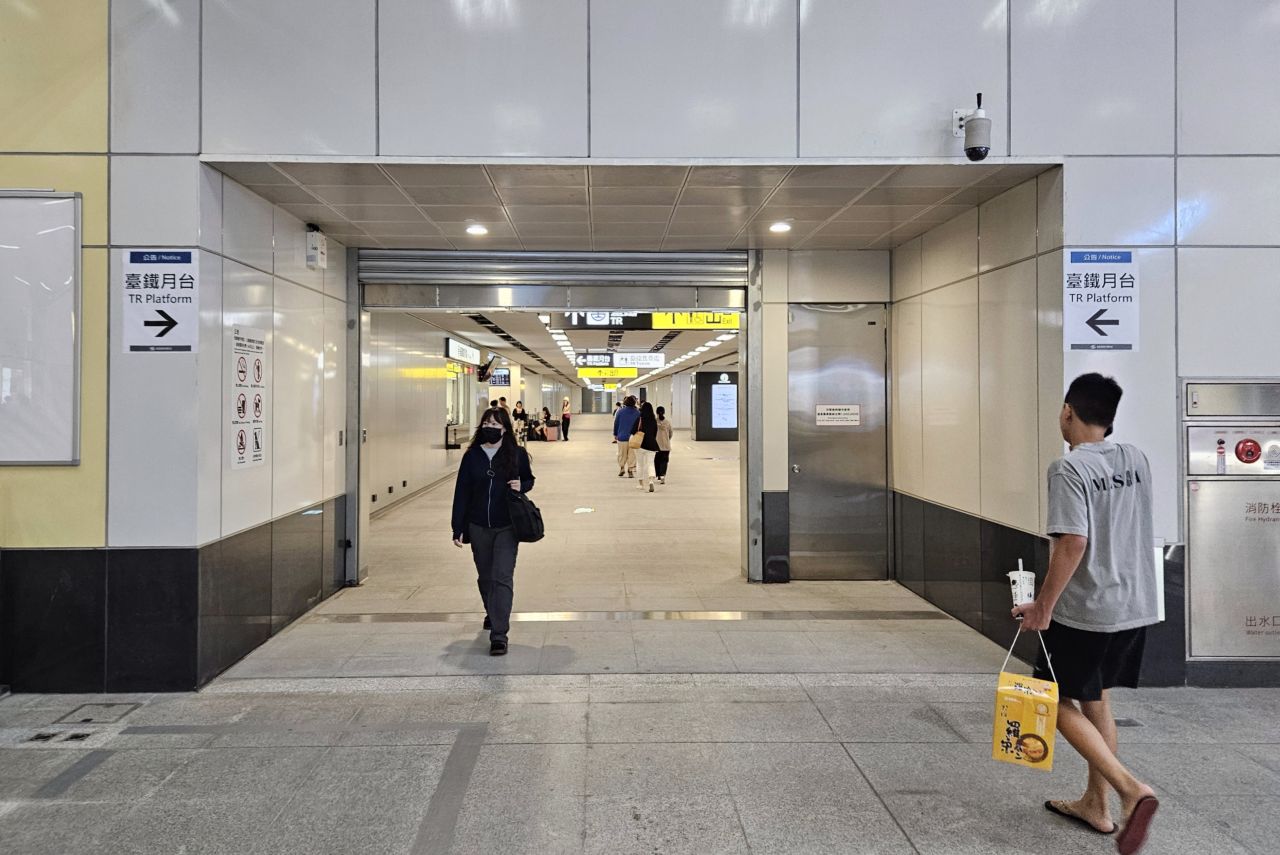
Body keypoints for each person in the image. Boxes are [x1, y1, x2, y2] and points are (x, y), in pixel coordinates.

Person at [1012, 374, 1159, 854]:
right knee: (1096, 700)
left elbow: (1073, 542)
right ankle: (1096, 806)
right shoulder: (1135, 458)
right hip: (1134, 605)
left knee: (1051, 701)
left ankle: (1128, 788)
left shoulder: (1068, 468)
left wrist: (1043, 607)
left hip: (1088, 608)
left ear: (1068, 412)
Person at [451, 407, 534, 656]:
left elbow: (528, 480)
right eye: (487, 422)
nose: (491, 427)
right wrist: (458, 527)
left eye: (496, 424)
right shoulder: (472, 456)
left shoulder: (516, 454)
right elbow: (462, 492)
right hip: (478, 526)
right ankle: (492, 610)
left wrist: (522, 485)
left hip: (507, 526)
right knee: (485, 577)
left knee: (502, 577)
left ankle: (499, 634)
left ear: (505, 429)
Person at [632, 400, 660, 492]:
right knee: (651, 463)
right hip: (651, 445)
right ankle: (651, 481)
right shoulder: (653, 420)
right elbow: (655, 433)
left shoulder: (640, 418)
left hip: (640, 444)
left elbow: (632, 430)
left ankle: (640, 484)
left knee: (640, 464)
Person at [613, 395, 640, 477]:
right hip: (634, 437)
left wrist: (615, 434)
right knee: (632, 455)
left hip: (622, 436)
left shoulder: (620, 412)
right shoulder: (638, 412)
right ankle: (630, 470)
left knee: (622, 453)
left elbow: (616, 423)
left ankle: (622, 468)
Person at [655, 405, 673, 484]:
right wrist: (667, 439)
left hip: (656, 445)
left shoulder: (654, 422)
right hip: (666, 446)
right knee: (664, 461)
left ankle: (658, 474)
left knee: (656, 461)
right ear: (664, 412)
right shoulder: (667, 422)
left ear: (656, 413)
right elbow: (671, 433)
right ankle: (663, 476)